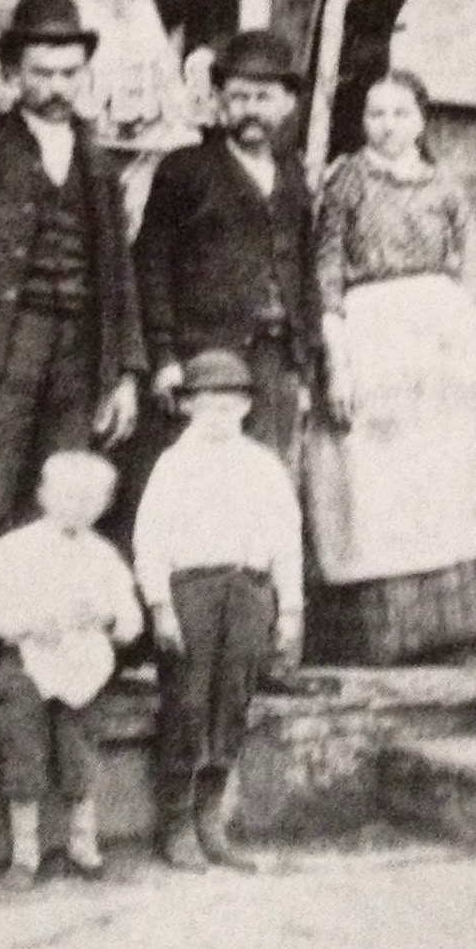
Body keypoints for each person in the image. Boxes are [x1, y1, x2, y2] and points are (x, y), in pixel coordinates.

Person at [0, 0, 144, 723]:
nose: (54, 87)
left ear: (84, 74)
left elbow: (119, 276)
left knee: (64, 513)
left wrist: (125, 374)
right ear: (15, 72)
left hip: (78, 358)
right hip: (2, 355)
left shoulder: (99, 164)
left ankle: (51, 672)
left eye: (68, 72)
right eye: (41, 72)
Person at [303, 70, 476, 658]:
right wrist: (337, 353)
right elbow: (326, 265)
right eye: (376, 113)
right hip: (371, 323)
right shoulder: (347, 180)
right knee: (378, 478)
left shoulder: (445, 186)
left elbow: (470, 267)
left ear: (422, 121)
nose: (388, 126)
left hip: (440, 332)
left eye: (401, 114)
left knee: (446, 471)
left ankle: (454, 626)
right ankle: (384, 629)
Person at [132, 346, 304, 870]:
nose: (219, 414)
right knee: (187, 702)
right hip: (192, 592)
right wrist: (160, 606)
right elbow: (150, 542)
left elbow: (286, 539)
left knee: (233, 701)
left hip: (248, 592)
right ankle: (177, 821)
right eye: (207, 404)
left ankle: (212, 819)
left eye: (231, 403)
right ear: (185, 407)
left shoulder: (262, 466)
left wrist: (290, 607)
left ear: (247, 407)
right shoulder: (172, 466)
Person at [133, 26, 319, 464]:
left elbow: (304, 270)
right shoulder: (186, 171)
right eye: (237, 97)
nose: (249, 110)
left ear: (289, 103)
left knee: (270, 478)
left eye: (262, 98)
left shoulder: (293, 178)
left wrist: (305, 357)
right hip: (206, 363)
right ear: (218, 101)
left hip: (277, 363)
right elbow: (151, 268)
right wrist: (163, 358)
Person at [0, 448, 143, 887]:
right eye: (67, 497)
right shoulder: (15, 548)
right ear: (43, 495)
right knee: (23, 749)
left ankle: (82, 842)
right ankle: (25, 851)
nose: (78, 508)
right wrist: (22, 624)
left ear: (103, 505)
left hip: (82, 669)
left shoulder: (104, 557)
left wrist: (107, 618)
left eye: (90, 500)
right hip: (25, 663)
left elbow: (130, 621)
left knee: (79, 752)